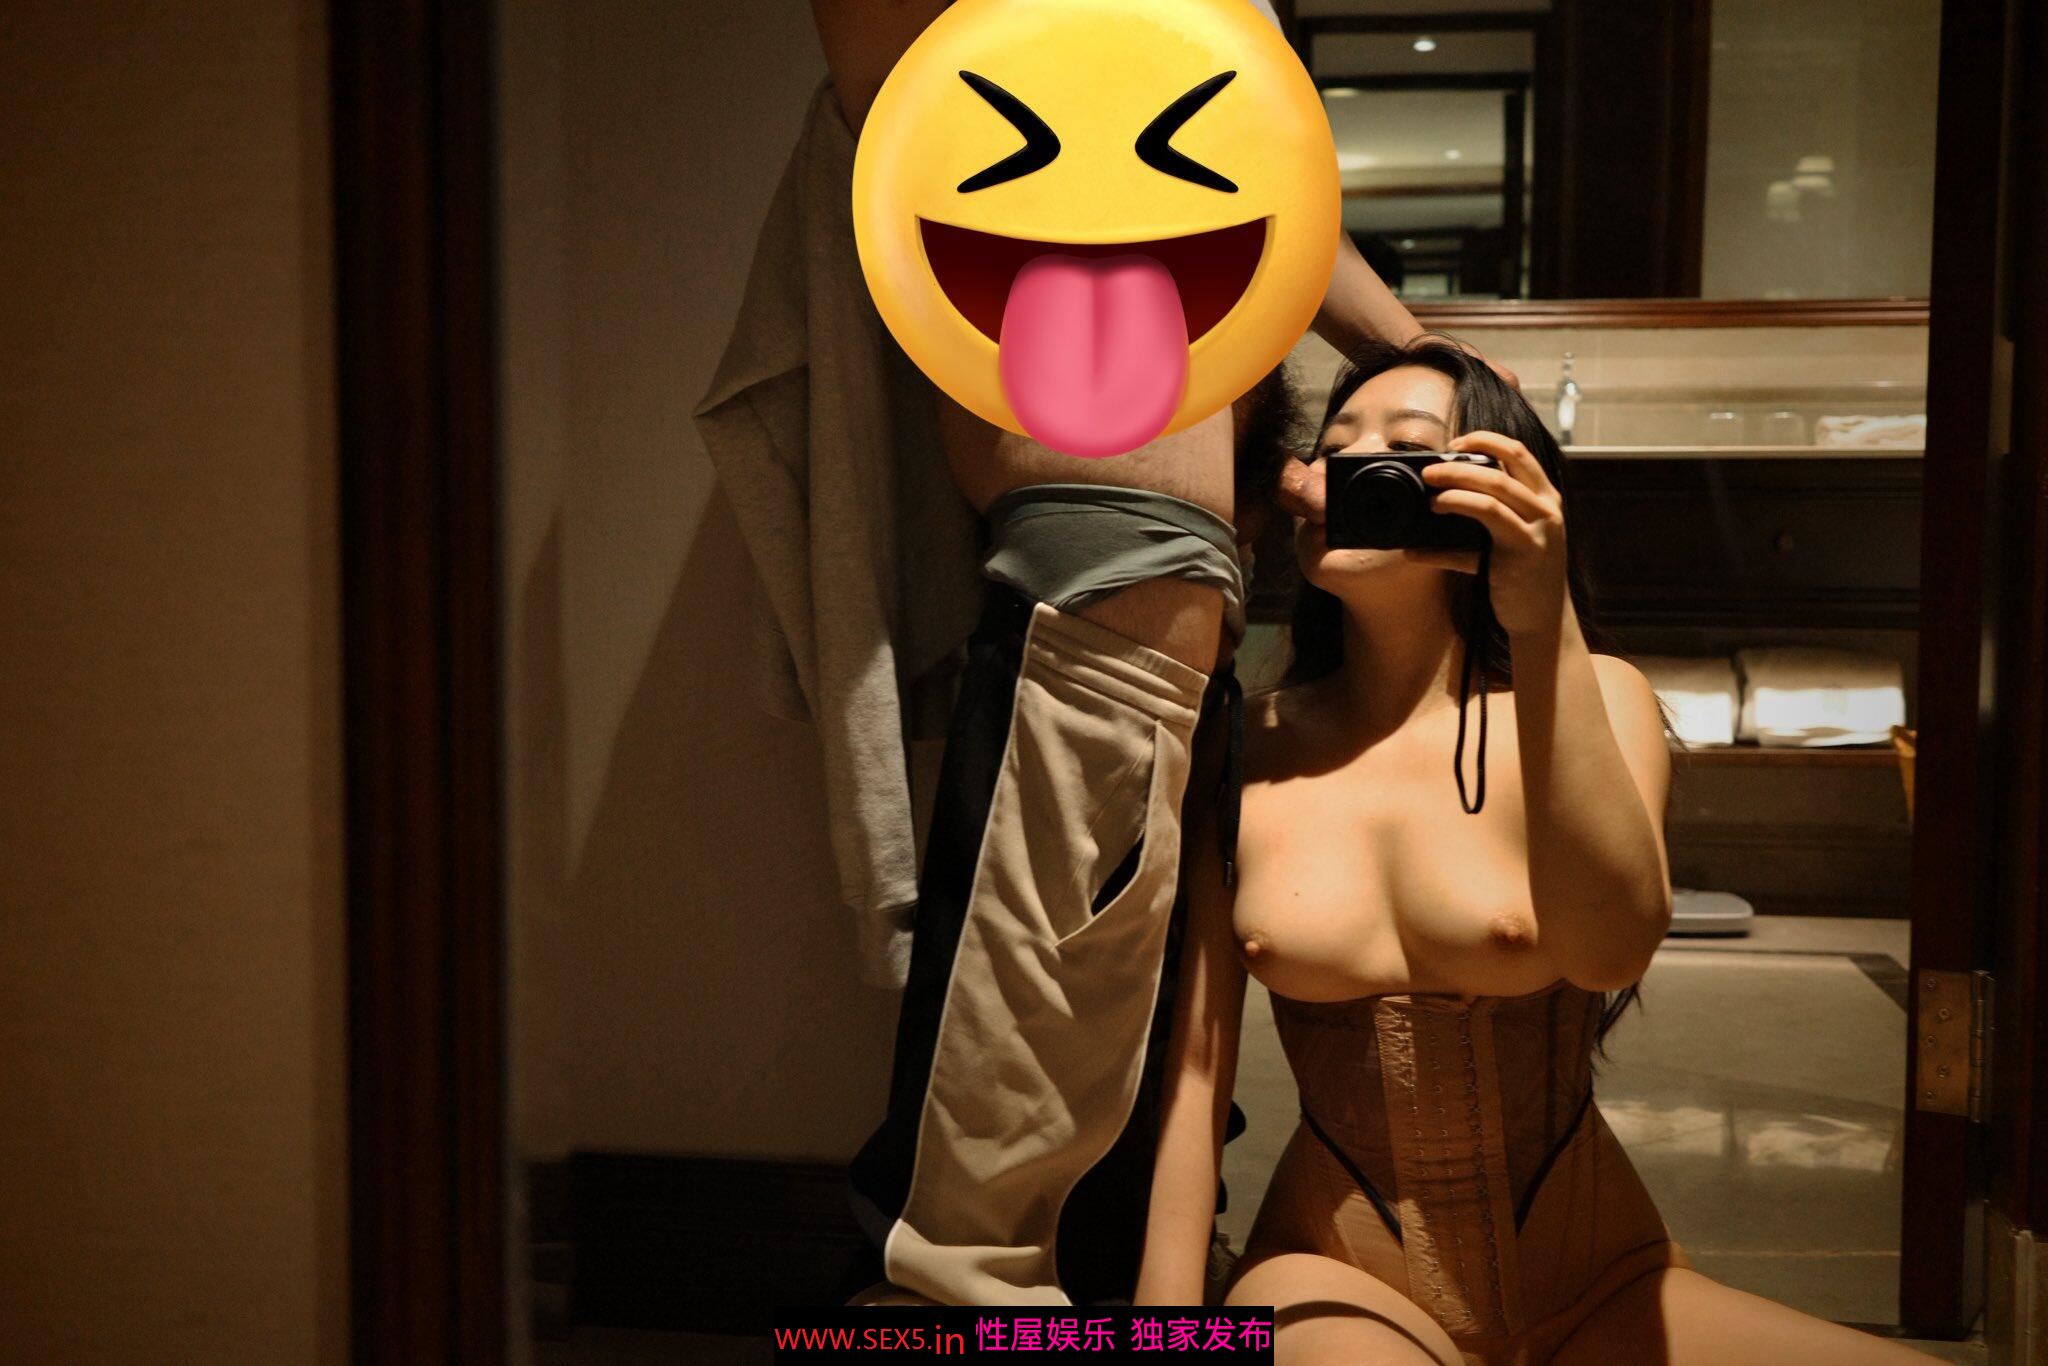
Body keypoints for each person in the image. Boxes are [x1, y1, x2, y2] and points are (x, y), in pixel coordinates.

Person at [790, 0, 1516, 1308]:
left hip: (1163, 639)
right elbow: (891, 87)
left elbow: (1264, 202)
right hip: (1095, 623)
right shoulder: (1025, 49)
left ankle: (1127, 1316)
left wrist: (1425, 365)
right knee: (1002, 1145)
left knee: (1107, 1076)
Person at [1134, 337, 1939, 1363]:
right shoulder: (1249, 741)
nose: (1354, 471)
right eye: (1334, 451)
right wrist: (1159, 1328)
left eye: (1405, 451)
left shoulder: (1601, 694)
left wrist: (1541, 616)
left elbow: (1610, 952)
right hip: (1330, 1272)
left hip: (1598, 1278)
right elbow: (1195, 1070)